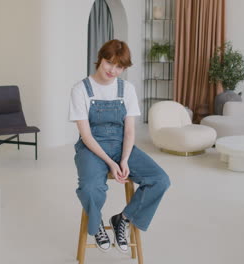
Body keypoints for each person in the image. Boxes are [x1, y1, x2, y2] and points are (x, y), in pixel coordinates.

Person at [69, 39, 170, 253]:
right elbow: (86, 135)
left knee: (160, 180)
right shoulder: (80, 90)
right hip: (91, 148)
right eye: (109, 63)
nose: (113, 70)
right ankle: (96, 226)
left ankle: (123, 219)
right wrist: (109, 163)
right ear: (100, 59)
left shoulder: (127, 89)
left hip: (122, 145)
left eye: (119, 67)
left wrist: (123, 160)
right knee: (89, 188)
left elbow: (130, 131)